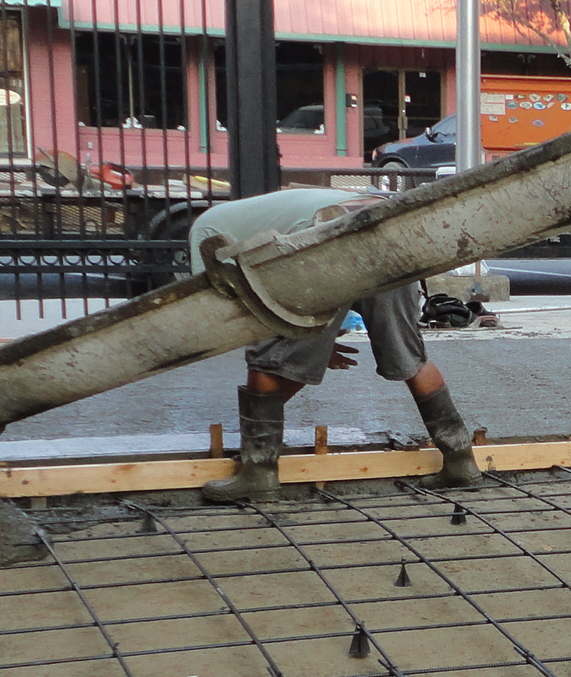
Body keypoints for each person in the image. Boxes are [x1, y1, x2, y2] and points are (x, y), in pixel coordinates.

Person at [188, 186, 484, 504]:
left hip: (333, 239)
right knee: (411, 358)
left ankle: (259, 472)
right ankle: (461, 462)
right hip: (393, 236)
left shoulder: (204, 235)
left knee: (267, 355)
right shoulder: (260, 211)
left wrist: (304, 339)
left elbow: (237, 309)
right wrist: (317, 341)